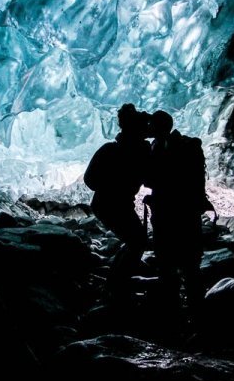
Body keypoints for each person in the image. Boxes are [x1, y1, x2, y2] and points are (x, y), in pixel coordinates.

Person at [144, 110, 208, 315]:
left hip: (169, 210)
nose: (148, 129)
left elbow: (153, 179)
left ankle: (175, 308)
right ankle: (194, 308)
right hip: (185, 211)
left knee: (169, 259)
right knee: (188, 261)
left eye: (151, 125)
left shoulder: (162, 148)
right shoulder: (186, 146)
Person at [84, 104, 151, 282]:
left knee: (135, 241)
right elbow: (149, 179)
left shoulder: (110, 150)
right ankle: (116, 284)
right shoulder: (139, 153)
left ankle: (116, 281)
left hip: (104, 204)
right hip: (114, 205)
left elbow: (89, 180)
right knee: (137, 242)